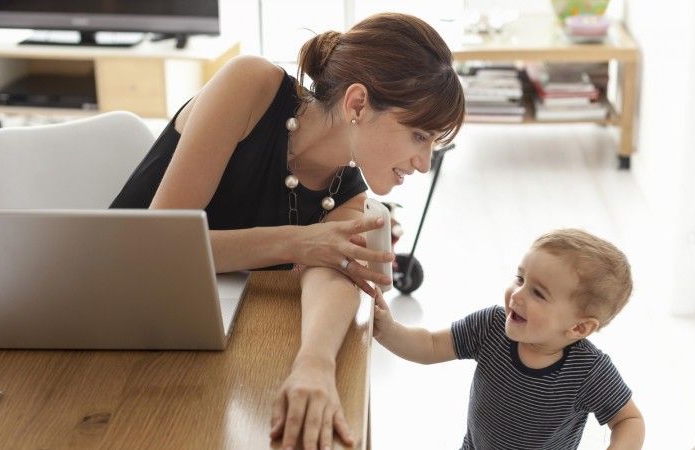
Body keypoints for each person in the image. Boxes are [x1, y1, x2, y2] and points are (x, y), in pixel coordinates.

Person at [109, 11, 465, 450]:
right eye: (418, 136)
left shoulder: (347, 194)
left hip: (191, 336)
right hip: (111, 313)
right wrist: (301, 241)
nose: (425, 163)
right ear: (357, 104)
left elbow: (330, 276)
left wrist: (314, 365)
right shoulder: (251, 86)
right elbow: (156, 247)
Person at [372, 229, 645, 450]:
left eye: (538, 293)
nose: (517, 295)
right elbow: (431, 345)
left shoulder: (588, 370)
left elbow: (629, 420)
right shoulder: (492, 326)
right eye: (520, 278)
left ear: (579, 327)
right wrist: (388, 330)